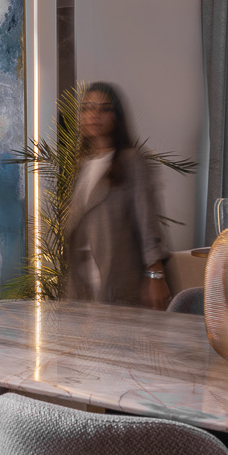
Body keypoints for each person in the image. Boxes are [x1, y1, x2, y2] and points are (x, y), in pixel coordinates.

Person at [64, 82, 170, 308]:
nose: (94, 115)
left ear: (117, 117)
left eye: (104, 109)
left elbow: (147, 222)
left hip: (120, 283)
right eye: (87, 108)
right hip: (84, 287)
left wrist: (155, 276)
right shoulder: (84, 165)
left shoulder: (132, 161)